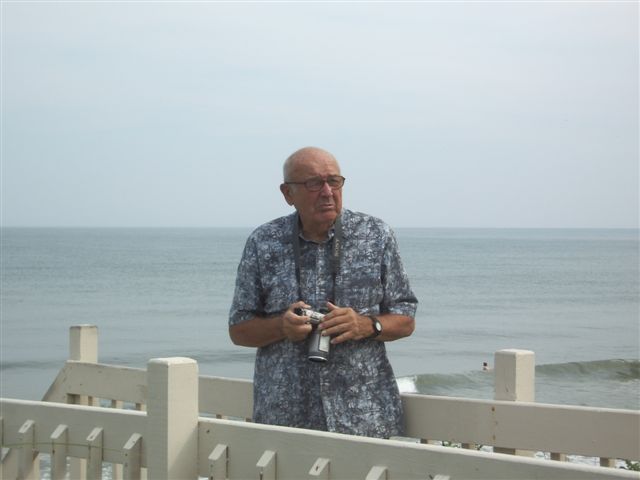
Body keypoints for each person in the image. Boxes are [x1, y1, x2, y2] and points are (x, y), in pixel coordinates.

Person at [229, 146, 418, 439]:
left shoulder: (376, 235)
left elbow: (405, 319)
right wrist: (282, 327)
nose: (328, 192)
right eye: (314, 183)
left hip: (364, 418)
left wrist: (365, 325)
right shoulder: (263, 242)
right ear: (287, 193)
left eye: (334, 181)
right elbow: (239, 330)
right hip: (285, 419)